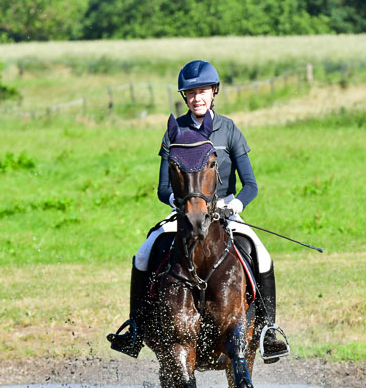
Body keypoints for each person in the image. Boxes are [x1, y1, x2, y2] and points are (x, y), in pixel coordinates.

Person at [107, 59, 290, 362]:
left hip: (225, 213)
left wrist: (236, 204)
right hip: (183, 212)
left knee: (263, 254)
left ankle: (268, 330)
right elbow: (163, 187)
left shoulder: (228, 129)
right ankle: (135, 329)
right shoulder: (174, 131)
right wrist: (177, 203)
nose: (197, 98)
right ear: (185, 97)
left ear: (214, 92)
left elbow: (251, 185)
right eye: (190, 93)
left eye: (202, 91)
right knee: (143, 254)